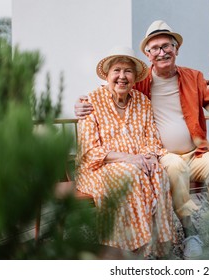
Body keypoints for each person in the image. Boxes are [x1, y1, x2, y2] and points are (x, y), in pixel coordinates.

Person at [75, 20, 209, 259]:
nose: (162, 52)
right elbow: (115, 82)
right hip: (166, 156)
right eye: (155, 48)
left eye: (166, 46)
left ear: (176, 49)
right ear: (148, 55)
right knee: (171, 166)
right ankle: (189, 232)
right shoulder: (140, 83)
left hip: (197, 153)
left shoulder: (194, 78)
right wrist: (80, 105)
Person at [75, 46, 174, 259]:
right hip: (99, 168)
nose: (122, 76)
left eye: (127, 71)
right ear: (108, 76)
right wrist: (130, 159)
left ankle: (158, 247)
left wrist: (147, 157)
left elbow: (151, 138)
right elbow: (89, 150)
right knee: (129, 174)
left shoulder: (142, 102)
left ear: (134, 77)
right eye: (116, 71)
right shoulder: (91, 101)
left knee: (159, 172)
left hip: (137, 163)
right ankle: (127, 249)